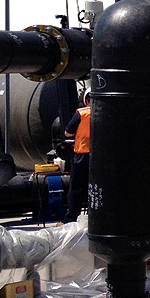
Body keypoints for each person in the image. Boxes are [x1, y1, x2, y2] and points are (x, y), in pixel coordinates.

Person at [63, 91, 92, 222]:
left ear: (86, 101)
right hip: (100, 157)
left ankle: (71, 218)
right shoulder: (107, 111)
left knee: (76, 188)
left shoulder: (81, 113)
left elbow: (68, 133)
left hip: (82, 155)